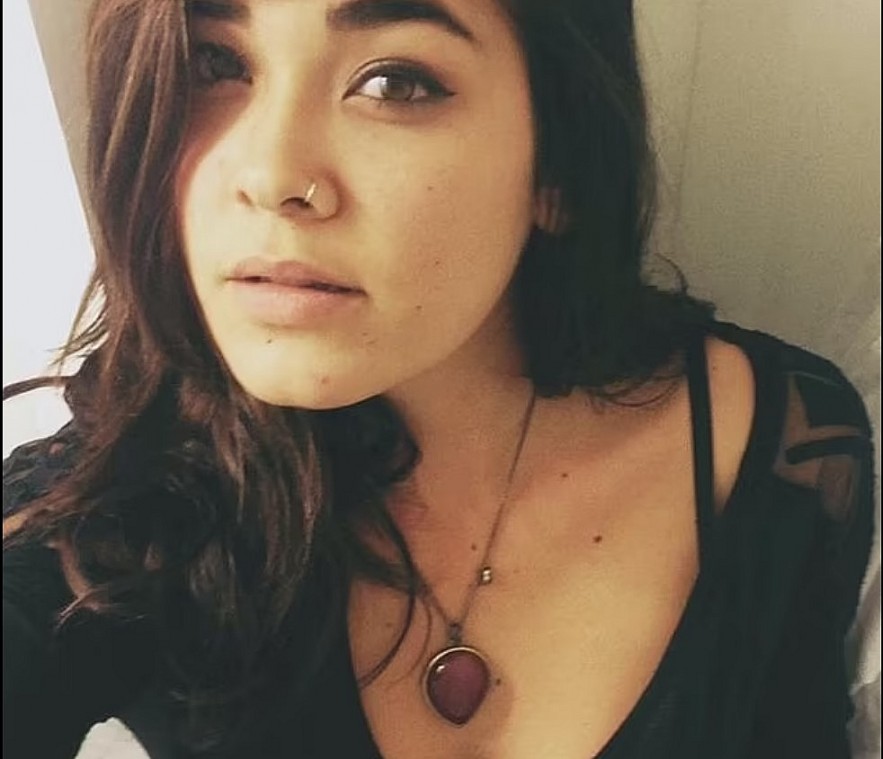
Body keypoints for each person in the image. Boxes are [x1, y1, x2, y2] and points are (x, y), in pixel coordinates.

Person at [2, 0, 875, 757]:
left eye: (394, 82)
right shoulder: (120, 491)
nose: (270, 176)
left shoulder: (787, 446)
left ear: (558, 165)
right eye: (213, 64)